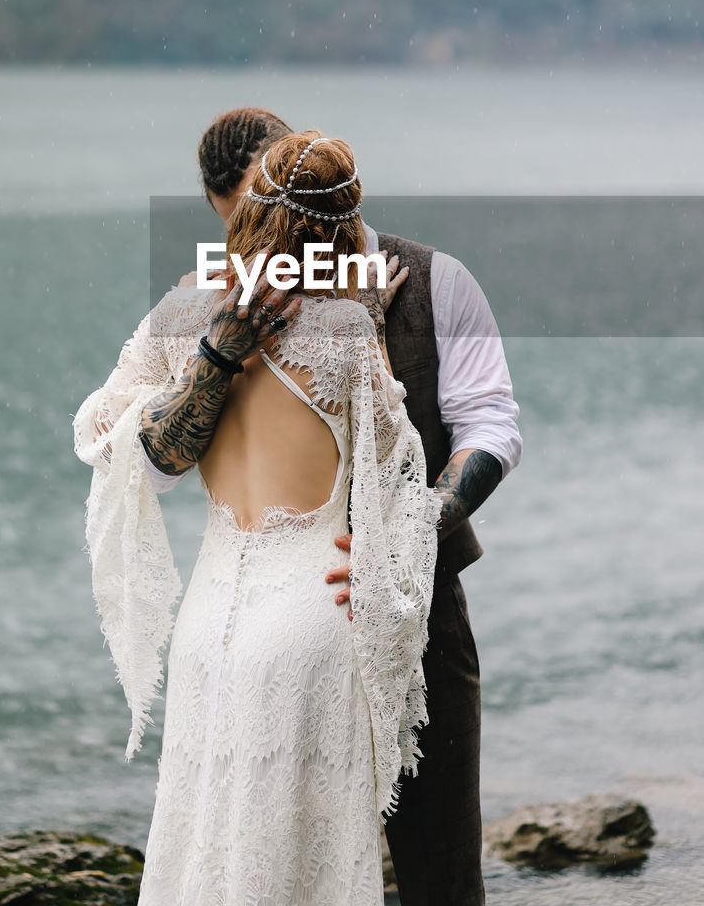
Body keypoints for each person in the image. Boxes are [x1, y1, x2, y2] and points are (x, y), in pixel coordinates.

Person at [73, 132, 442, 906]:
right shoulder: (344, 331)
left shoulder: (181, 312)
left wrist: (205, 356)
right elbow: (399, 482)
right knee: (302, 857)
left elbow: (102, 433)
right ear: (346, 224)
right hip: (312, 618)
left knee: (208, 837)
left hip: (209, 625)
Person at [196, 107, 522, 906]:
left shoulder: (439, 279)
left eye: (276, 216)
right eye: (246, 224)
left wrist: (413, 531)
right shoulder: (222, 299)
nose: (268, 246)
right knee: (279, 862)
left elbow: (490, 423)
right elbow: (171, 459)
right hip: (276, 636)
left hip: (420, 615)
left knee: (439, 865)